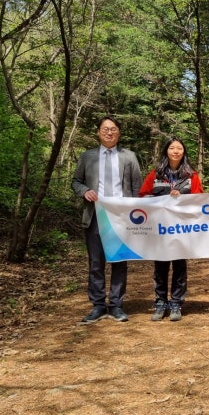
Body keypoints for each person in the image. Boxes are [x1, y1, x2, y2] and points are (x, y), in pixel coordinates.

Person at [72, 116, 142, 323]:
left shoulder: (129, 156)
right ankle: (98, 305)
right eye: (105, 129)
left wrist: (134, 212)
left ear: (118, 133)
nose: (109, 132)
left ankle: (116, 304)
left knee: (119, 260)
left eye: (113, 129)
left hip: (121, 217)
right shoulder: (87, 156)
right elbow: (76, 181)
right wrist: (84, 191)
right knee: (96, 262)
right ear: (98, 132)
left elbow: (137, 187)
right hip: (95, 215)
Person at [139, 137, 203, 322]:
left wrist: (181, 198)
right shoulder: (155, 174)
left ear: (184, 152)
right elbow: (143, 195)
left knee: (179, 266)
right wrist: (162, 197)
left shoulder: (192, 176)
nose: (176, 151)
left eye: (179, 148)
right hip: (160, 228)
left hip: (182, 228)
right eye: (172, 148)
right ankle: (160, 302)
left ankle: (176, 302)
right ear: (166, 151)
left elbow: (199, 199)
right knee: (160, 266)